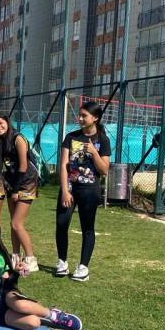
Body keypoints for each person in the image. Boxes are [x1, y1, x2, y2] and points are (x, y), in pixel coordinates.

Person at [0, 212, 83, 330]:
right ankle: (33, 312)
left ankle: (55, 315)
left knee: (21, 305)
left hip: (4, 296)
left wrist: (16, 272)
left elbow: (7, 284)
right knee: (33, 323)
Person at [55, 100, 111, 282]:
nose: (80, 118)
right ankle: (62, 262)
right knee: (62, 224)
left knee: (88, 228)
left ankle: (83, 267)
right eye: (79, 115)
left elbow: (104, 170)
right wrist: (65, 190)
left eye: (84, 115)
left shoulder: (102, 140)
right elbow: (63, 165)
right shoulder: (71, 137)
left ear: (95, 118)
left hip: (89, 190)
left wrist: (94, 153)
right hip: (70, 188)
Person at [0, 113, 40, 272]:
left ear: (7, 122)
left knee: (16, 223)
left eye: (0, 123)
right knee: (13, 222)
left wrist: (17, 189)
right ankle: (15, 256)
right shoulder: (0, 140)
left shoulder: (17, 138)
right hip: (12, 182)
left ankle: (31, 259)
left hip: (26, 182)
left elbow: (23, 165)